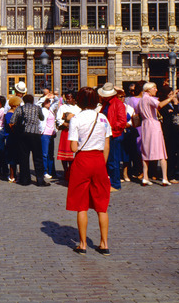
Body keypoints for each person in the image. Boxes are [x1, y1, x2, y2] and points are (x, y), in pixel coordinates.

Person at [66, 87, 112, 255]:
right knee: (102, 205)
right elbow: (107, 145)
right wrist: (102, 163)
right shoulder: (103, 118)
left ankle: (83, 244)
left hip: (82, 160)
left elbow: (73, 147)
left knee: (81, 205)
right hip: (99, 160)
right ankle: (104, 243)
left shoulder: (76, 119)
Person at [137, 82, 174, 186]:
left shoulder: (141, 100)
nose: (156, 90)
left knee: (145, 152)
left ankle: (145, 177)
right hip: (153, 124)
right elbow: (160, 105)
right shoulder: (149, 99)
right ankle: (165, 178)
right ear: (149, 89)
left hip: (145, 125)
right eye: (154, 88)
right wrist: (171, 98)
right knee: (161, 151)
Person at [10, 84, 47, 186]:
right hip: (35, 134)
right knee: (38, 157)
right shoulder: (37, 108)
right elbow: (42, 118)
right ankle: (40, 180)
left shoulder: (20, 109)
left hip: (24, 134)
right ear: (32, 101)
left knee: (24, 157)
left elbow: (12, 120)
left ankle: (25, 180)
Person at [98, 83, 127, 190]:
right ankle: (110, 181)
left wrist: (110, 128)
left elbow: (122, 121)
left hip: (114, 135)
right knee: (108, 159)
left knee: (113, 160)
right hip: (108, 134)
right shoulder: (106, 104)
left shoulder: (118, 104)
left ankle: (115, 183)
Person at [55, 92, 80, 179]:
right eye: (67, 98)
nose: (68, 100)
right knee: (65, 153)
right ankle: (66, 171)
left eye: (69, 98)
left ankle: (72, 171)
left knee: (73, 152)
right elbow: (58, 118)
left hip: (75, 132)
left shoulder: (78, 108)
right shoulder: (63, 107)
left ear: (74, 99)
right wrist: (65, 123)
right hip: (66, 132)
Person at [40, 96, 57, 180]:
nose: (49, 103)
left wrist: (53, 95)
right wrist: (45, 97)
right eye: (47, 102)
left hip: (51, 134)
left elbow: (56, 101)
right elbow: (42, 123)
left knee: (50, 154)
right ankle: (44, 171)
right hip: (45, 134)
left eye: (49, 102)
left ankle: (51, 171)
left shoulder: (50, 110)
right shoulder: (42, 110)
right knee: (44, 154)